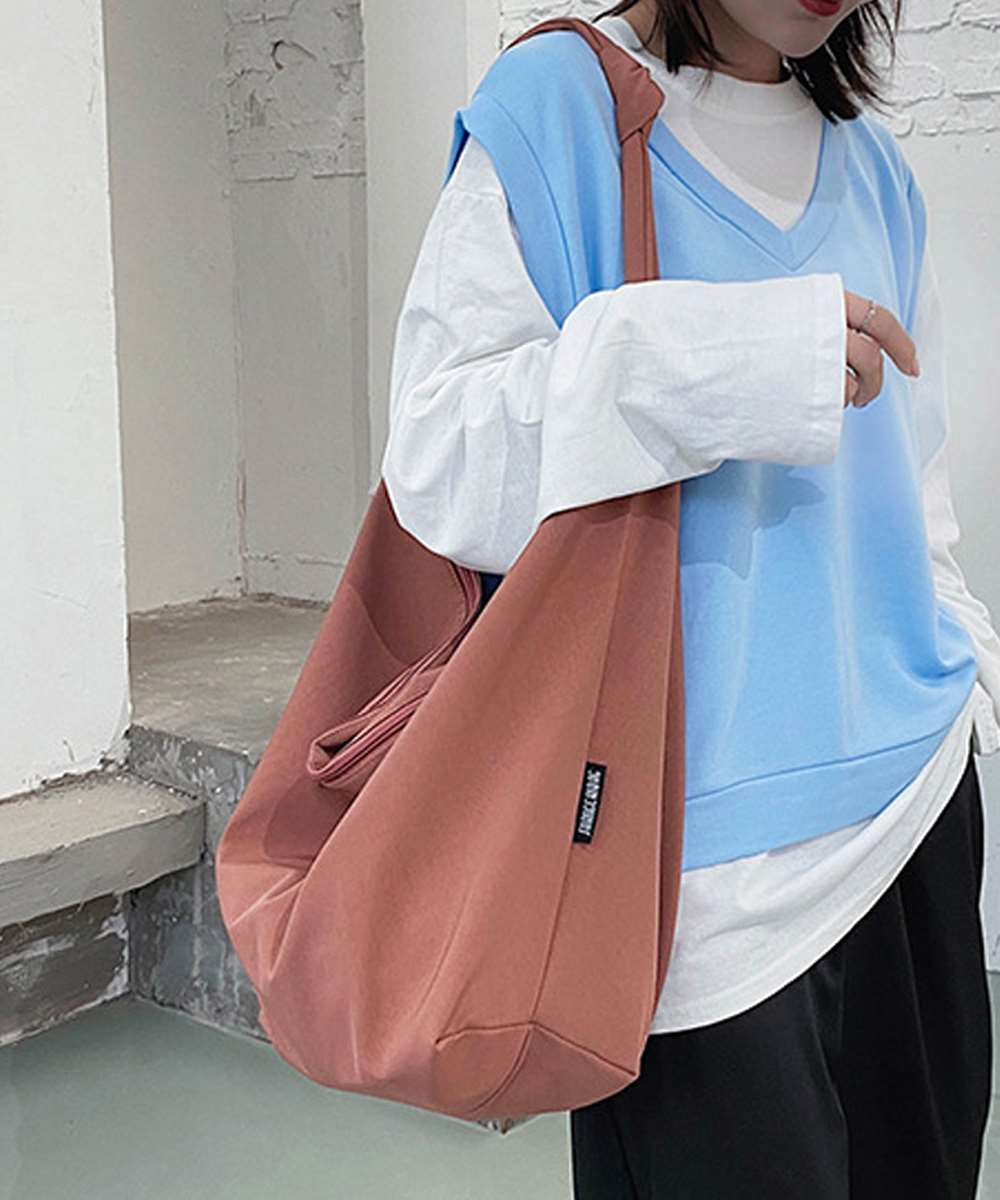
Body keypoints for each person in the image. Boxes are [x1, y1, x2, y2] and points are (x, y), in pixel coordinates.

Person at [381, 0, 1000, 1194]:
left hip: (915, 817)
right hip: (689, 877)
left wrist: (965, 675)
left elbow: (913, 484)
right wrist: (721, 362)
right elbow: (441, 463)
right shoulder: (557, 112)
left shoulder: (873, 166)